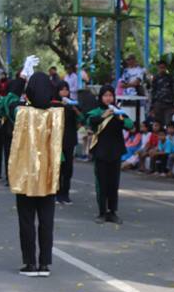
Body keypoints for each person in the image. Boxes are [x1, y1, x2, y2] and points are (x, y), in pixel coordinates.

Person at [7, 72, 64, 277]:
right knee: (47, 221)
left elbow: (8, 100)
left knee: (26, 220)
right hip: (48, 176)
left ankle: (30, 263)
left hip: (26, 176)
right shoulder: (58, 114)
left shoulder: (20, 112)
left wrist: (21, 79)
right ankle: (45, 264)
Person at [83, 85, 134, 224]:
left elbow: (130, 125)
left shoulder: (118, 113)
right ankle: (102, 212)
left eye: (110, 95)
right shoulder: (96, 112)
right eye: (105, 95)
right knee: (101, 183)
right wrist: (103, 115)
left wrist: (119, 116)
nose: (108, 98)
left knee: (113, 183)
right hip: (101, 152)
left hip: (115, 151)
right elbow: (89, 122)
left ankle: (112, 212)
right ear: (100, 97)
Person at [54, 79, 80, 204]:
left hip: (69, 140)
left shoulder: (72, 105)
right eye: (62, 90)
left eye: (66, 89)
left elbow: (82, 118)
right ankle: (56, 193)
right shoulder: (53, 104)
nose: (64, 92)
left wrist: (74, 108)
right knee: (58, 167)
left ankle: (66, 193)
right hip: (57, 141)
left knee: (68, 168)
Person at [149, 61, 174, 126]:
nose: (162, 69)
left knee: (168, 124)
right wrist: (151, 107)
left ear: (166, 68)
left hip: (169, 105)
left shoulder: (171, 78)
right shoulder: (155, 78)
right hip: (158, 104)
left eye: (163, 67)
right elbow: (153, 92)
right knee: (157, 124)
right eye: (160, 68)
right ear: (158, 68)